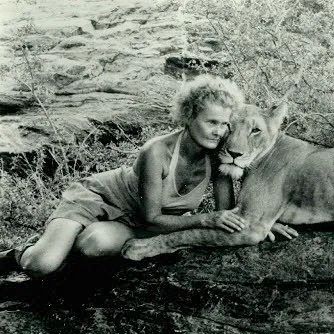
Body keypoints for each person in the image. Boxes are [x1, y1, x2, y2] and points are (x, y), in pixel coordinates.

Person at [0, 75, 297, 277]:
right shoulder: (156, 151)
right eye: (211, 122)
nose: (219, 131)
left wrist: (262, 221)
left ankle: (66, 242)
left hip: (136, 223)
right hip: (101, 200)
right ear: (189, 116)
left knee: (95, 245)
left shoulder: (218, 151)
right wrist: (205, 220)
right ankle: (19, 252)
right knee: (42, 265)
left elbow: (225, 214)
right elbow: (157, 217)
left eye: (225, 124)